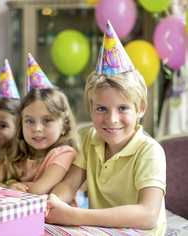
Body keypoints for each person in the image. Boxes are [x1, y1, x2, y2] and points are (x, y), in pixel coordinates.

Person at [45, 21, 166, 235]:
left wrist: (75, 215)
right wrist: (54, 201)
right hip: (97, 229)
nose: (112, 119)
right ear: (90, 108)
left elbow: (148, 215)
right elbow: (69, 185)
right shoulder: (89, 138)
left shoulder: (150, 151)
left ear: (141, 108)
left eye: (122, 108)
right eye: (101, 108)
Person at [0, 54, 79, 195]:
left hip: (54, 217)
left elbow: (38, 190)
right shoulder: (17, 154)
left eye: (47, 120)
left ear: (64, 125)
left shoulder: (64, 153)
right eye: (30, 121)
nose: (37, 129)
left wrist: (10, 184)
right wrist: (7, 187)